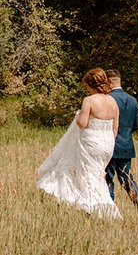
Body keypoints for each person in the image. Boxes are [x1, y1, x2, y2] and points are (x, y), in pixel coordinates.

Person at [36, 68, 121, 218]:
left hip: (92, 143)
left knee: (87, 174)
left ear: (91, 85)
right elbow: (115, 128)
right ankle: (103, 207)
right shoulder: (113, 102)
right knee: (98, 174)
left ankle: (89, 207)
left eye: (87, 86)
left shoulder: (89, 101)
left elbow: (82, 124)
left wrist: (77, 115)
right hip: (108, 144)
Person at [105, 68, 138, 213]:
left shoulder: (107, 99)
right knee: (128, 181)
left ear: (110, 82)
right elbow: (136, 125)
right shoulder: (132, 100)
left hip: (109, 145)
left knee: (107, 180)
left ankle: (109, 212)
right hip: (126, 146)